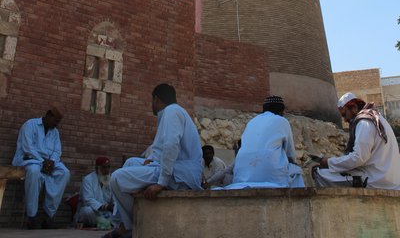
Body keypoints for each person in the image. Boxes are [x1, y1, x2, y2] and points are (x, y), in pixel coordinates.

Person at [105, 84, 203, 238]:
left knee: (117, 179)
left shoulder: (172, 111)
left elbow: (171, 145)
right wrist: (150, 160)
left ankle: (130, 226)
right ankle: (122, 223)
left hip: (181, 174)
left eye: (152, 100)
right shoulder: (171, 113)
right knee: (131, 162)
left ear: (156, 99)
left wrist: (161, 183)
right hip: (174, 169)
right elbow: (160, 149)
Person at [313, 92, 400, 189]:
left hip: (376, 182)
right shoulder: (378, 118)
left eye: (344, 114)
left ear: (354, 108)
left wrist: (328, 162)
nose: (345, 120)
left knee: (320, 174)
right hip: (389, 180)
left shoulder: (364, 123)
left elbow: (358, 158)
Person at [224, 95, 304, 189]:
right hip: (273, 177)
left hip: (242, 177)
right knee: (296, 172)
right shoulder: (282, 121)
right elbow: (290, 153)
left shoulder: (252, 121)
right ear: (280, 110)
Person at [12, 107, 70, 229]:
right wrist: (43, 162)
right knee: (34, 171)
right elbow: (28, 148)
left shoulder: (55, 131)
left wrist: (52, 162)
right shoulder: (30, 125)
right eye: (55, 121)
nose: (56, 124)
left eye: (58, 122)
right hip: (28, 159)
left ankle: (48, 215)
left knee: (64, 172)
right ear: (48, 116)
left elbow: (57, 151)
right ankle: (31, 216)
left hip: (48, 163)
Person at [75, 156, 116, 228]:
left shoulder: (111, 179)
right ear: (97, 168)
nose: (107, 170)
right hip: (93, 212)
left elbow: (114, 197)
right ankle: (99, 224)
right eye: (104, 167)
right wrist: (105, 207)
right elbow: (88, 200)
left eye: (108, 167)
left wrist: (114, 206)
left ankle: (104, 224)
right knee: (87, 211)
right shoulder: (88, 179)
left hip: (106, 213)